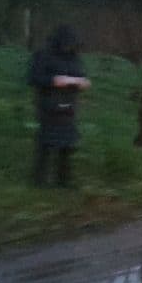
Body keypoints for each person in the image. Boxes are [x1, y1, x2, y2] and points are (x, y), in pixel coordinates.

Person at [27, 25, 90, 187]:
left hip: (69, 105)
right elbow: (33, 78)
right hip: (49, 104)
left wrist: (82, 82)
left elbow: (80, 75)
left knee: (67, 145)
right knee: (47, 143)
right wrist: (53, 81)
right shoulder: (43, 55)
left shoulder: (74, 57)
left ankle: (64, 180)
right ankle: (40, 180)